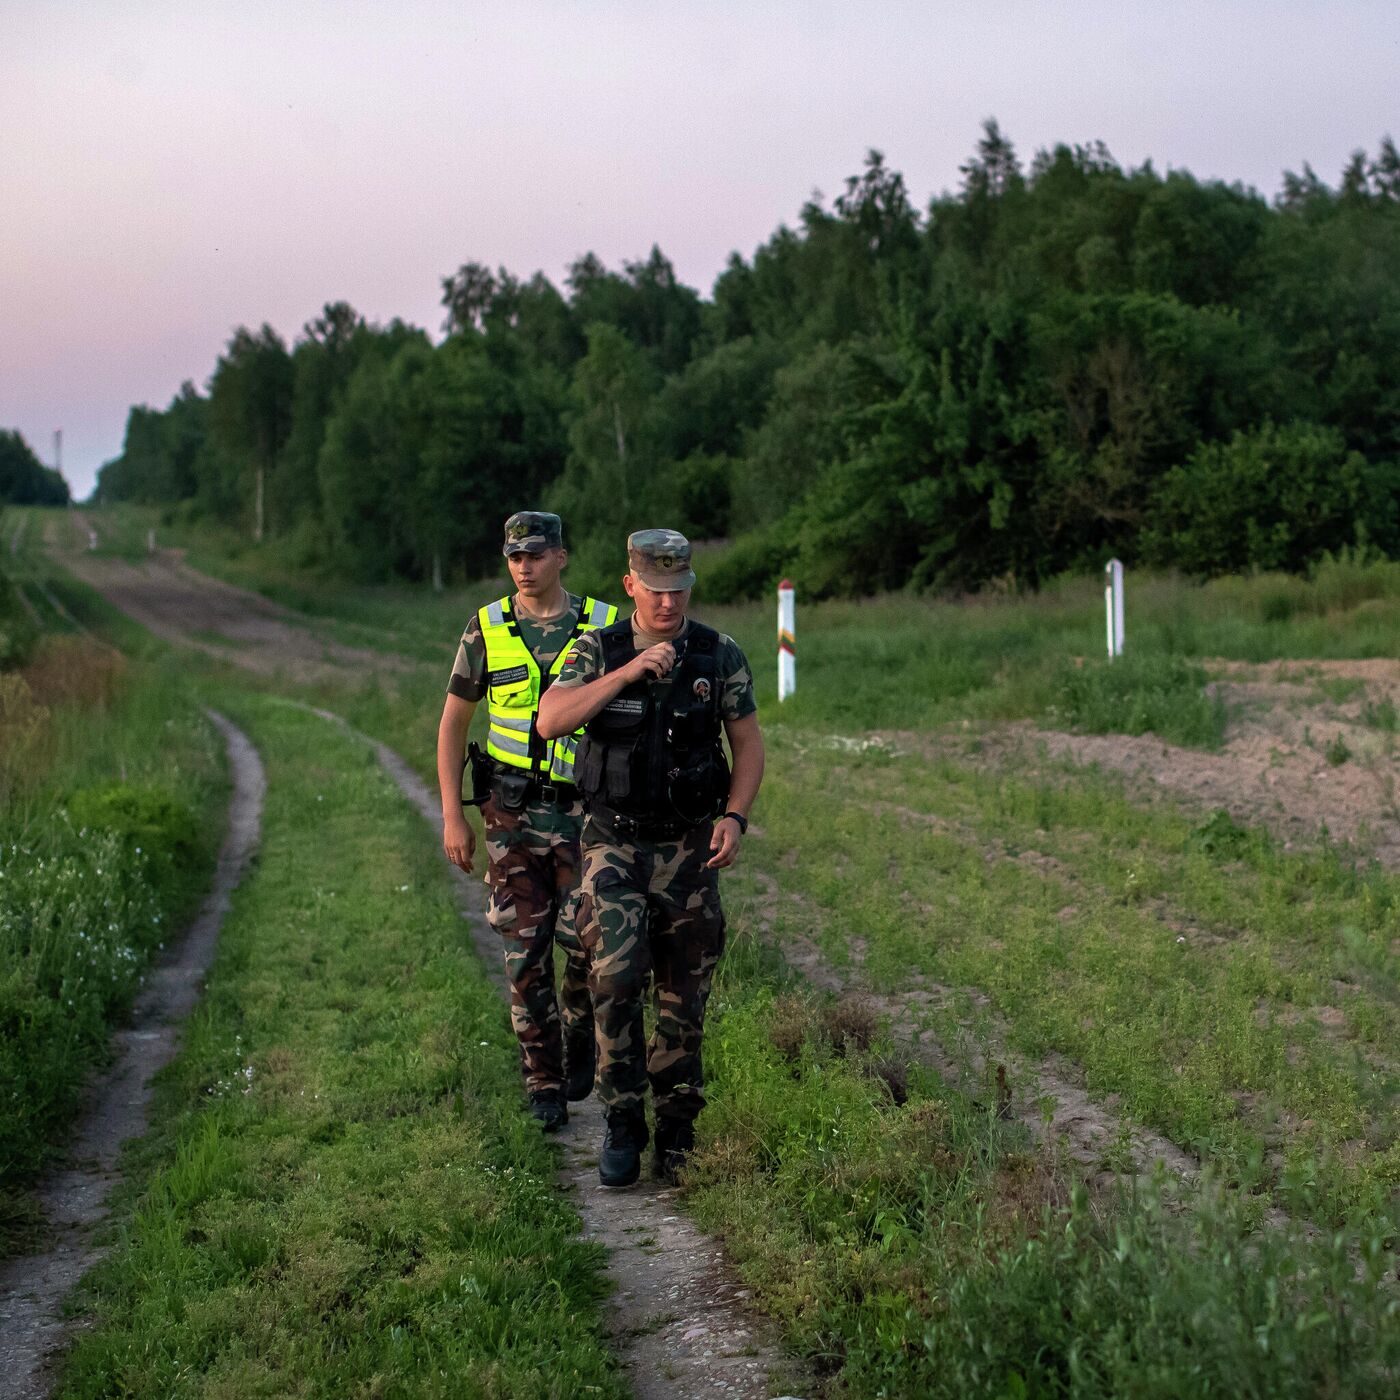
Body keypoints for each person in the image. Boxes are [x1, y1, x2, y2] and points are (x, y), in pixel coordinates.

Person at [536, 528, 764, 1187]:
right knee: (615, 978)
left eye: (679, 589)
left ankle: (679, 1130)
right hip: (613, 840)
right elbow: (552, 720)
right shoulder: (596, 649)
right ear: (630, 584)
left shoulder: (716, 654)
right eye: (656, 590)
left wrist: (735, 817)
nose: (668, 603)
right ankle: (621, 1119)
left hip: (689, 844)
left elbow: (747, 745)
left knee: (684, 995)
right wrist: (629, 672)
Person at [436, 511, 618, 1130]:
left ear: (561, 556)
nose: (524, 566)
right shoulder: (486, 627)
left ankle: (577, 1038)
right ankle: (542, 1081)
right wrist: (450, 813)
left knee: (584, 946)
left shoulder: (602, 625)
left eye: (536, 555)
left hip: (584, 813)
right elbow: (454, 723)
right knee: (523, 953)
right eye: (514, 556)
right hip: (508, 815)